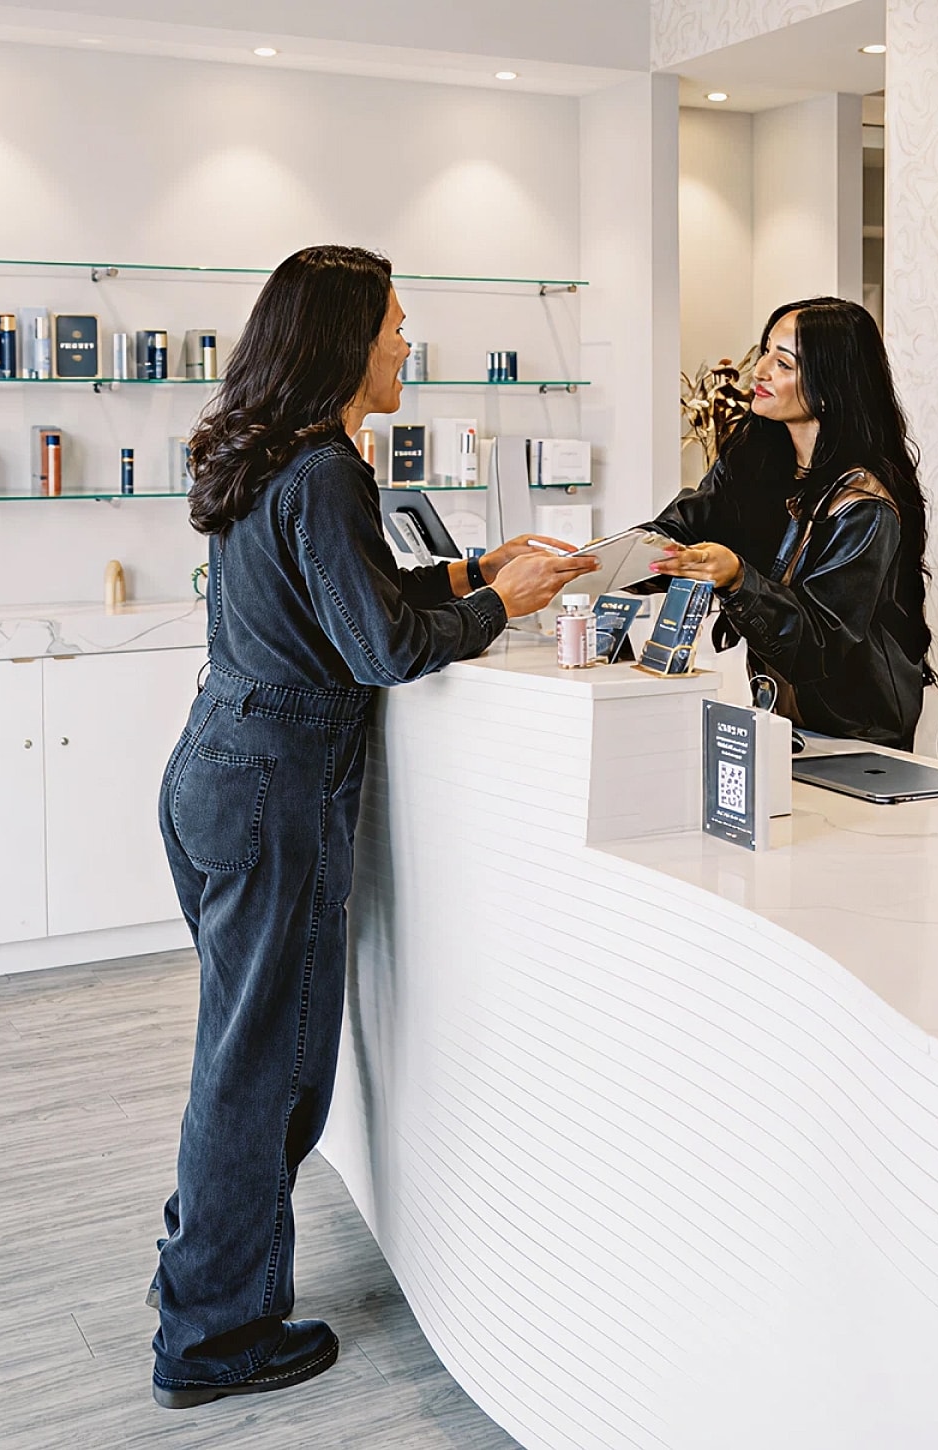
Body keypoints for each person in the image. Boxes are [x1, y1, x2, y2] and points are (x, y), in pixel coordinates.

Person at [150, 244, 597, 1410]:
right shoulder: (329, 470)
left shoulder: (277, 455)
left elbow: (345, 598)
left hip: (217, 769)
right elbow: (381, 650)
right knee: (267, 1073)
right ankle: (212, 1336)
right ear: (345, 339)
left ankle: (200, 1282)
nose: (408, 344)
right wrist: (509, 603)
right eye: (396, 325)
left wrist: (466, 571)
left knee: (238, 1055)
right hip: (274, 792)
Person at [649, 297, 934, 749]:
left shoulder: (863, 507)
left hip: (852, 738)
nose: (759, 371)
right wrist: (600, 560)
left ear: (830, 382)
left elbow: (817, 646)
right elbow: (680, 530)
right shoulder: (752, 463)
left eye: (783, 363)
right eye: (765, 352)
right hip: (781, 719)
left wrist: (738, 579)